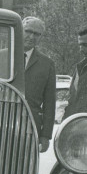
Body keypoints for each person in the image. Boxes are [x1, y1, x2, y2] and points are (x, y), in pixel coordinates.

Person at [21, 17, 56, 153]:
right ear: (20, 30)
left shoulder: (47, 64)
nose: (31, 36)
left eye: (36, 34)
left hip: (30, 127)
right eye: (28, 31)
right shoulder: (1, 56)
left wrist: (45, 136)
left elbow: (50, 102)